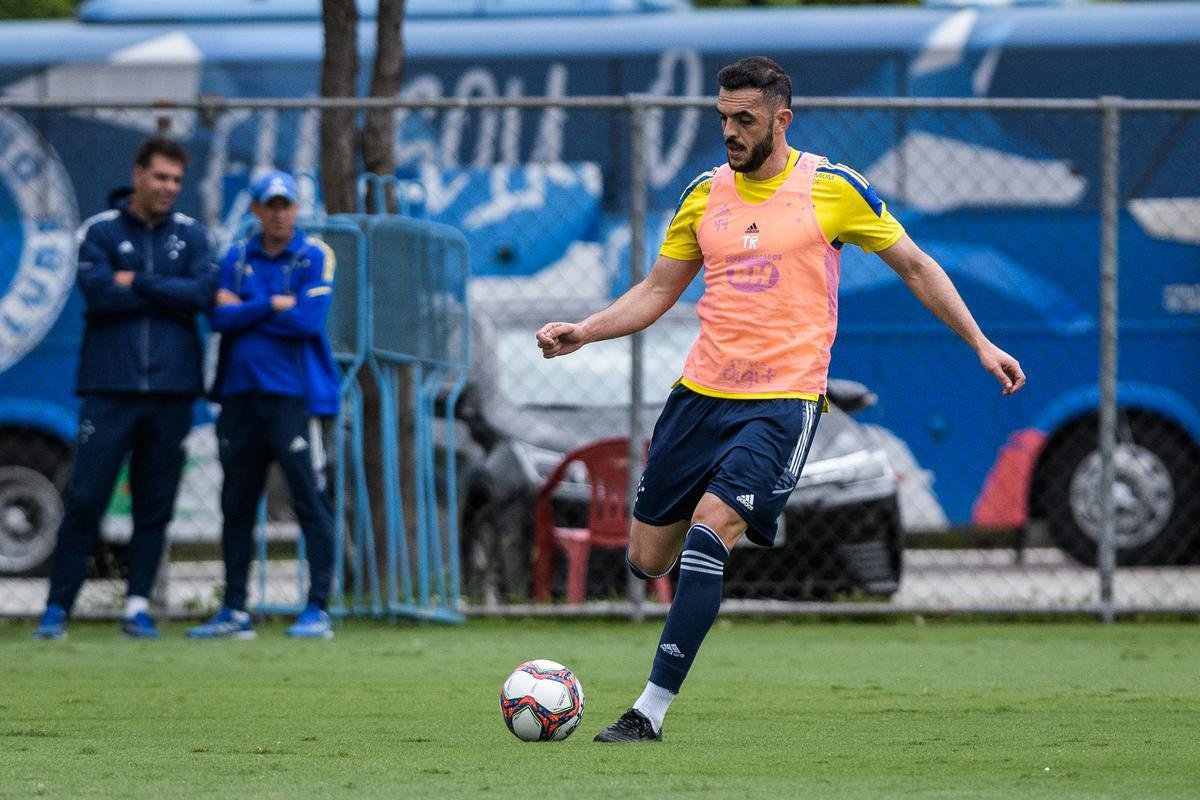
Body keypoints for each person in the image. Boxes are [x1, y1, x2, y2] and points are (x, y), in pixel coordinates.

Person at [536, 57, 1027, 742]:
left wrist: (979, 342)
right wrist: (584, 330)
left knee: (713, 530)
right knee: (648, 558)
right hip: (699, 396)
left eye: (745, 120)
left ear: (781, 119)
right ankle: (687, 589)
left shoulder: (832, 190)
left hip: (784, 400)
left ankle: (648, 711)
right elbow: (655, 290)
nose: (731, 132)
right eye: (724, 119)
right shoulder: (704, 195)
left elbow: (915, 263)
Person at [34, 137, 218, 640]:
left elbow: (202, 294)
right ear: (138, 175)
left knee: (153, 505)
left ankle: (137, 605)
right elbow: (98, 294)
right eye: (160, 177)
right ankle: (57, 610)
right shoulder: (99, 231)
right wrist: (164, 291)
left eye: (177, 180)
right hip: (109, 389)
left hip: (171, 391)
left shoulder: (194, 235)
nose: (168, 188)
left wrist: (134, 281)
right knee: (88, 497)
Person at [187, 170, 339, 640]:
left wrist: (248, 308)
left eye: (286, 204)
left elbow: (308, 319)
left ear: (296, 209)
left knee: (309, 501)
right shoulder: (234, 256)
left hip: (294, 398)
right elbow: (218, 317)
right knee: (236, 503)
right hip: (238, 396)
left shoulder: (315, 254)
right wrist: (272, 303)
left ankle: (317, 609)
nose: (278, 212)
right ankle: (234, 610)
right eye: (269, 204)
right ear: (255, 209)